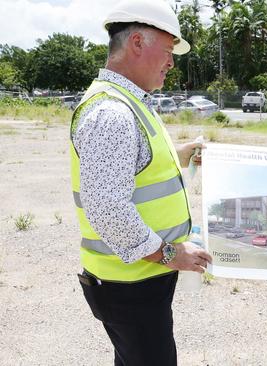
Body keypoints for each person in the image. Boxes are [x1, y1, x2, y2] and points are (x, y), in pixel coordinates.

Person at [70, 0, 212, 365]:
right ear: (137, 42)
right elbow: (108, 210)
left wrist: (182, 153)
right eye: (167, 50)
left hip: (136, 278)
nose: (171, 62)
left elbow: (136, 165)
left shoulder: (129, 102)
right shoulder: (113, 113)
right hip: (129, 284)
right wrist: (171, 254)